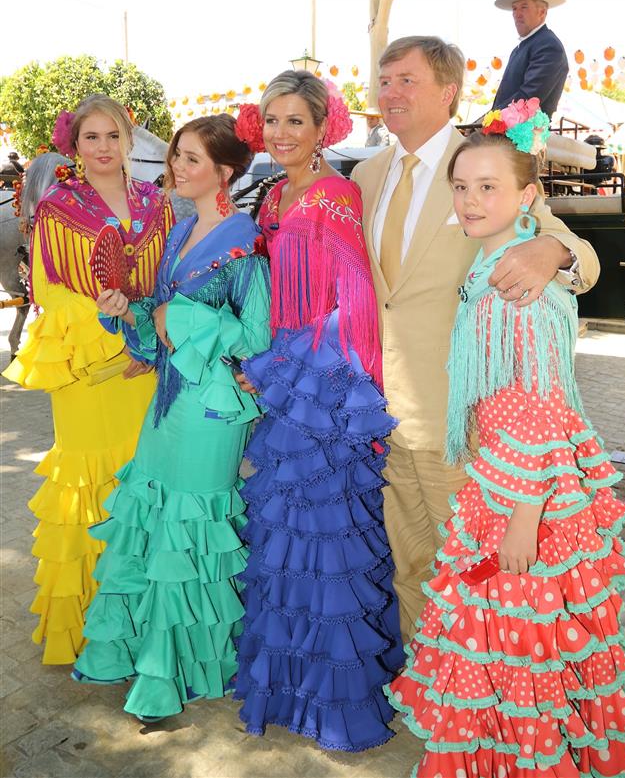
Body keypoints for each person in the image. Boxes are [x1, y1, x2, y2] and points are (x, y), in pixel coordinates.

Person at [385, 102, 625, 778]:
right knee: (505, 651)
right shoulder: (492, 264)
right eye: (461, 186)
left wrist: (524, 515)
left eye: (487, 186)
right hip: (499, 479)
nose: (469, 199)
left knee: (517, 649)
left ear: (527, 196)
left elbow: (545, 408)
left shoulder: (519, 286)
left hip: (525, 500)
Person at [351, 36, 600, 644]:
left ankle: (479, 703)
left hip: (462, 428)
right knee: (408, 566)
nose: (391, 94)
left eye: (407, 81)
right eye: (385, 81)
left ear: (447, 92)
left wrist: (552, 250)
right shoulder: (365, 172)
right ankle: (429, 692)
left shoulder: (484, 164)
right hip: (382, 416)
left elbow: (585, 261)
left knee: (476, 576)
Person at [70, 115, 271, 722]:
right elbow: (160, 326)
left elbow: (259, 338)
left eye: (190, 160)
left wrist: (181, 320)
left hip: (212, 408)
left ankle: (179, 668)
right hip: (168, 401)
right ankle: (141, 655)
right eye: (175, 157)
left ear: (224, 172)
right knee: (154, 520)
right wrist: (129, 311)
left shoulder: (245, 242)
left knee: (193, 527)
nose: (176, 169)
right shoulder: (182, 231)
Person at [232, 72, 404, 752]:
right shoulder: (274, 193)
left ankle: (337, 699)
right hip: (281, 383)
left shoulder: (335, 194)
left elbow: (353, 297)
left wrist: (301, 369)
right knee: (284, 538)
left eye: (294, 121)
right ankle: (291, 684)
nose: (279, 134)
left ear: (322, 126)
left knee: (329, 543)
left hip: (322, 388)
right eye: (271, 120)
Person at [3, 95, 172, 664]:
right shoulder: (57, 206)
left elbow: (167, 284)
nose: (103, 148)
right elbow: (50, 294)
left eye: (113, 135)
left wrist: (149, 345)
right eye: (91, 138)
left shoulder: (156, 202)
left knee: (142, 485)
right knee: (88, 491)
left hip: (143, 371)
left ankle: (142, 626)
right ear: (73, 146)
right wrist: (115, 341)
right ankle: (90, 633)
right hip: (86, 370)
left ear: (129, 140)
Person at [492, 0, 569, 118]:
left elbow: (527, 98)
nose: (517, 14)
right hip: (507, 133)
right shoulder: (521, 48)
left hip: (526, 136)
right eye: (514, 8)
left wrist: (484, 123)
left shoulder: (548, 46)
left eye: (524, 7)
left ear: (542, 12)